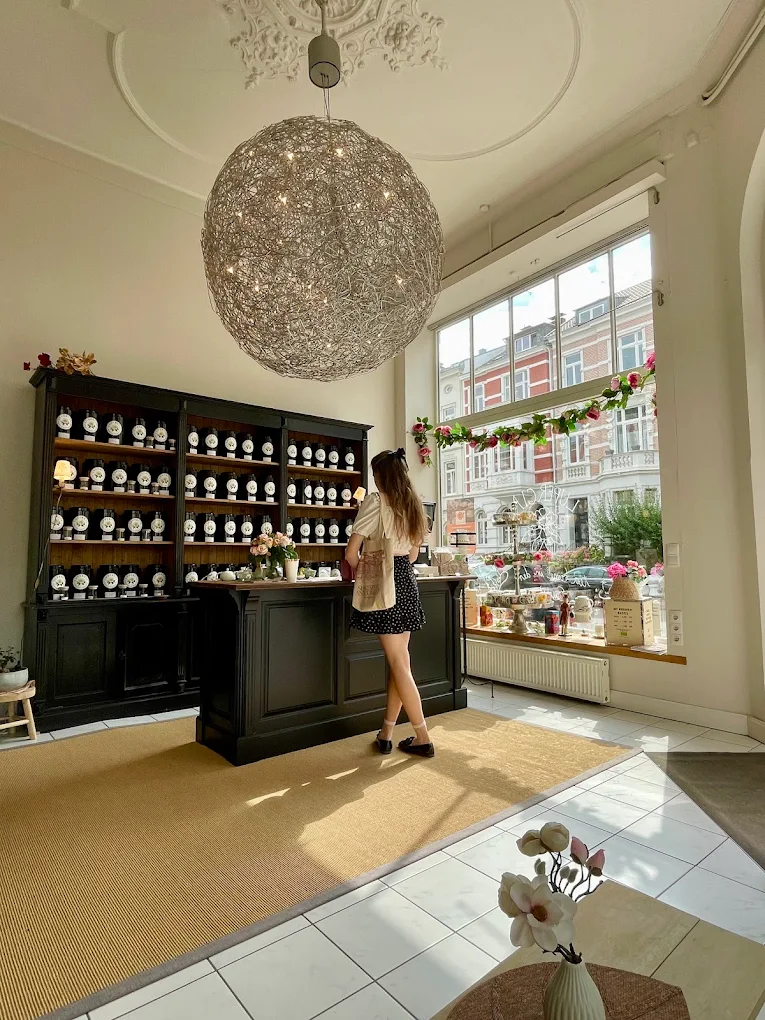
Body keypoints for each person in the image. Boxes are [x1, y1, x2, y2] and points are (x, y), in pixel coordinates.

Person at [345, 448, 433, 758]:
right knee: (401, 662)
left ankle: (423, 736)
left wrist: (364, 571)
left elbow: (350, 554)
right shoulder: (414, 504)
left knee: (398, 663)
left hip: (386, 584)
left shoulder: (375, 500)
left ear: (380, 476)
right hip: (407, 581)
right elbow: (411, 555)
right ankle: (386, 733)